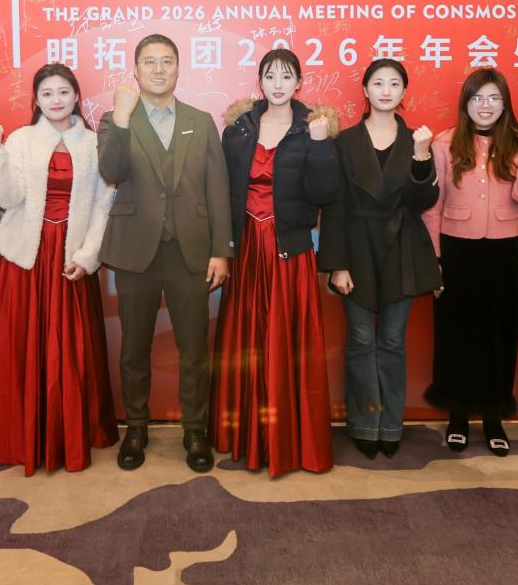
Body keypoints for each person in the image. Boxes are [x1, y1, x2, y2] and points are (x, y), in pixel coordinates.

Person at [0, 64, 118, 474]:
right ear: (36, 100)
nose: (56, 100)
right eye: (47, 93)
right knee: (25, 348)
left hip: (71, 257)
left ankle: (70, 436)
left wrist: (87, 257)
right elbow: (7, 197)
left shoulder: (93, 143)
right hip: (28, 260)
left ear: (77, 96)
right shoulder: (21, 140)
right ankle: (24, 434)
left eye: (64, 92)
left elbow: (103, 206)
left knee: (71, 350)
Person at [98, 33, 232, 473]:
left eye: (167, 61)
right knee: (134, 348)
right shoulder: (115, 119)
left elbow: (217, 188)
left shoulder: (201, 121)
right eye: (150, 62)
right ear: (135, 70)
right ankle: (136, 428)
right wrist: (122, 118)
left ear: (178, 67)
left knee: (193, 349)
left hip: (190, 251)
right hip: (135, 250)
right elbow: (111, 171)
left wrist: (221, 250)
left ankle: (195, 431)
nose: (159, 69)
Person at [212, 48, 338, 477]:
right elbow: (224, 192)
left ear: (299, 82)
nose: (278, 84)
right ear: (260, 82)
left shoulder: (314, 127)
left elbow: (324, 194)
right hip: (248, 247)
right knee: (247, 341)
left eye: (286, 76)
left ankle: (290, 440)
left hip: (289, 250)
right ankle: (246, 436)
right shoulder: (239, 129)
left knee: (288, 343)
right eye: (270, 76)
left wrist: (320, 146)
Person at [318, 59, 441, 459]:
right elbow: (334, 206)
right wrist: (337, 264)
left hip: (402, 247)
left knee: (392, 341)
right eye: (378, 83)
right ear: (366, 90)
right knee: (360, 340)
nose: (386, 90)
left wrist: (421, 157)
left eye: (394, 84)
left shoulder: (417, 140)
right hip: (356, 248)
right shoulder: (346, 141)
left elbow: (423, 202)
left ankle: (390, 425)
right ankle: (364, 423)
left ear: (404, 92)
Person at [422, 69, 518, 456]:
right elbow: (432, 207)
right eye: (477, 98)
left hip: (504, 250)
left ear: (505, 104)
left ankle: (494, 417)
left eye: (494, 98)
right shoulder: (444, 143)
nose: (485, 106)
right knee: (456, 334)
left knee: (500, 335)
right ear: (466, 103)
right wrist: (435, 258)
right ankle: (457, 415)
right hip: (456, 249)